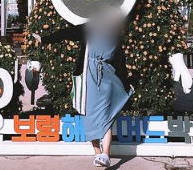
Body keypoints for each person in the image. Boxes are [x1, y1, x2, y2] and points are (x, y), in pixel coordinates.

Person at [32, 12, 133, 168]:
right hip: (88, 78)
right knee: (90, 115)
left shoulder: (115, 36)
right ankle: (98, 153)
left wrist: (124, 83)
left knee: (107, 117)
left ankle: (105, 154)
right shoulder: (90, 29)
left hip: (107, 79)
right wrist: (45, 39)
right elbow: (67, 33)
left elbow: (120, 62)